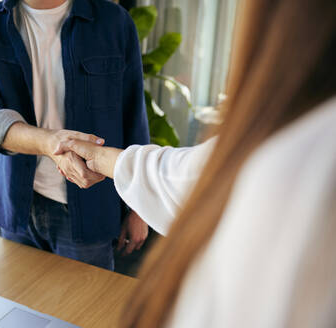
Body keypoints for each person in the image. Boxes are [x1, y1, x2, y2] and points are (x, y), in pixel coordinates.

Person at [54, 0, 336, 326]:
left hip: (89, 213)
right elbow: (190, 173)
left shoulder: (294, 162)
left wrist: (127, 200)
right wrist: (93, 155)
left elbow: (161, 146)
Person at [0, 0, 150, 271]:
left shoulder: (113, 22)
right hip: (18, 207)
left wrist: (139, 208)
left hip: (89, 211)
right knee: (18, 309)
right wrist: (51, 143)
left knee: (84, 311)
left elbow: (134, 116)